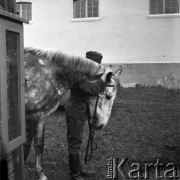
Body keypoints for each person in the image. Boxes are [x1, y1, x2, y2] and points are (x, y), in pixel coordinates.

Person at [65, 51, 108, 180]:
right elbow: (91, 89)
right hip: (74, 108)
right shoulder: (78, 73)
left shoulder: (87, 72)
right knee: (75, 141)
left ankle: (77, 169)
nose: (98, 67)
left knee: (79, 140)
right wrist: (104, 80)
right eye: (96, 65)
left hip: (81, 108)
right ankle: (74, 174)